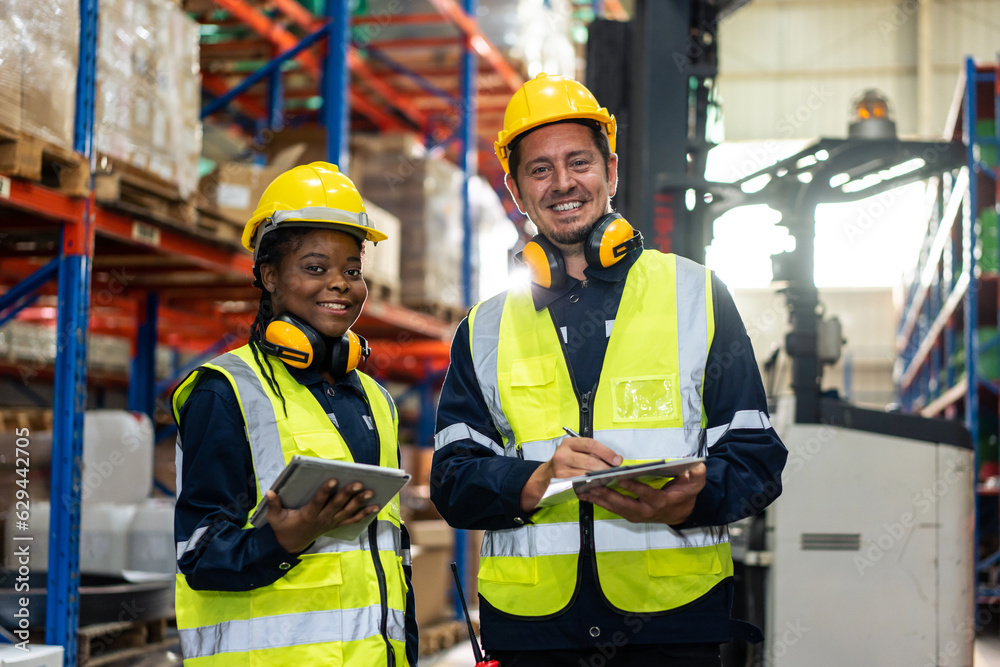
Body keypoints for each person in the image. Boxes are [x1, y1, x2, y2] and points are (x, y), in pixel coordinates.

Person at [430, 73, 788, 666]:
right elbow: (452, 480)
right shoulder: (484, 328)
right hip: (534, 636)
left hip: (672, 627)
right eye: (539, 170)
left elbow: (756, 456)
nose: (563, 182)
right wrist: (535, 479)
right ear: (517, 192)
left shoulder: (696, 293)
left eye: (579, 162)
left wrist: (692, 500)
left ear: (611, 171)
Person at [173, 162, 417, 666]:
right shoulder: (225, 393)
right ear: (268, 276)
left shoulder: (375, 400)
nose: (341, 285)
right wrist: (283, 539)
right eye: (314, 267)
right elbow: (198, 553)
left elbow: (387, 558)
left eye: (352, 270)